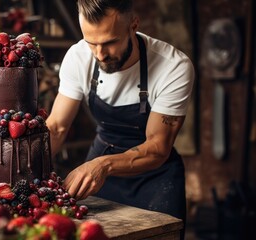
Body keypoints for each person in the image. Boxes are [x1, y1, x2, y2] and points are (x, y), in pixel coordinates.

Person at [46, 0, 194, 238]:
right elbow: (56, 127)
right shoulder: (77, 57)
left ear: (133, 25)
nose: (100, 54)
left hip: (155, 176)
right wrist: (26, 172)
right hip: (101, 160)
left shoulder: (173, 67)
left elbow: (157, 147)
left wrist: (103, 165)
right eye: (91, 43)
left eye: (110, 42)